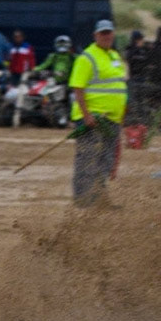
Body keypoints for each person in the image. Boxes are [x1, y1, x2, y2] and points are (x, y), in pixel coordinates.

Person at [68, 19, 127, 207]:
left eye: (109, 32)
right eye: (103, 33)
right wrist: (87, 116)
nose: (107, 36)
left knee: (106, 160)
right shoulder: (86, 58)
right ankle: (83, 200)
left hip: (112, 119)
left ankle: (99, 198)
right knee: (87, 158)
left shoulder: (115, 56)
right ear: (95, 36)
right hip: (93, 119)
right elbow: (78, 88)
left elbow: (118, 86)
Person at [124, 30, 152, 125]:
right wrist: (136, 48)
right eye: (140, 39)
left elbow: (148, 60)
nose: (142, 41)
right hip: (133, 79)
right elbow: (128, 58)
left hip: (143, 78)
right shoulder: (130, 49)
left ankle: (143, 122)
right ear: (136, 40)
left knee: (142, 102)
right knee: (132, 101)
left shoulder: (144, 50)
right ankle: (131, 122)